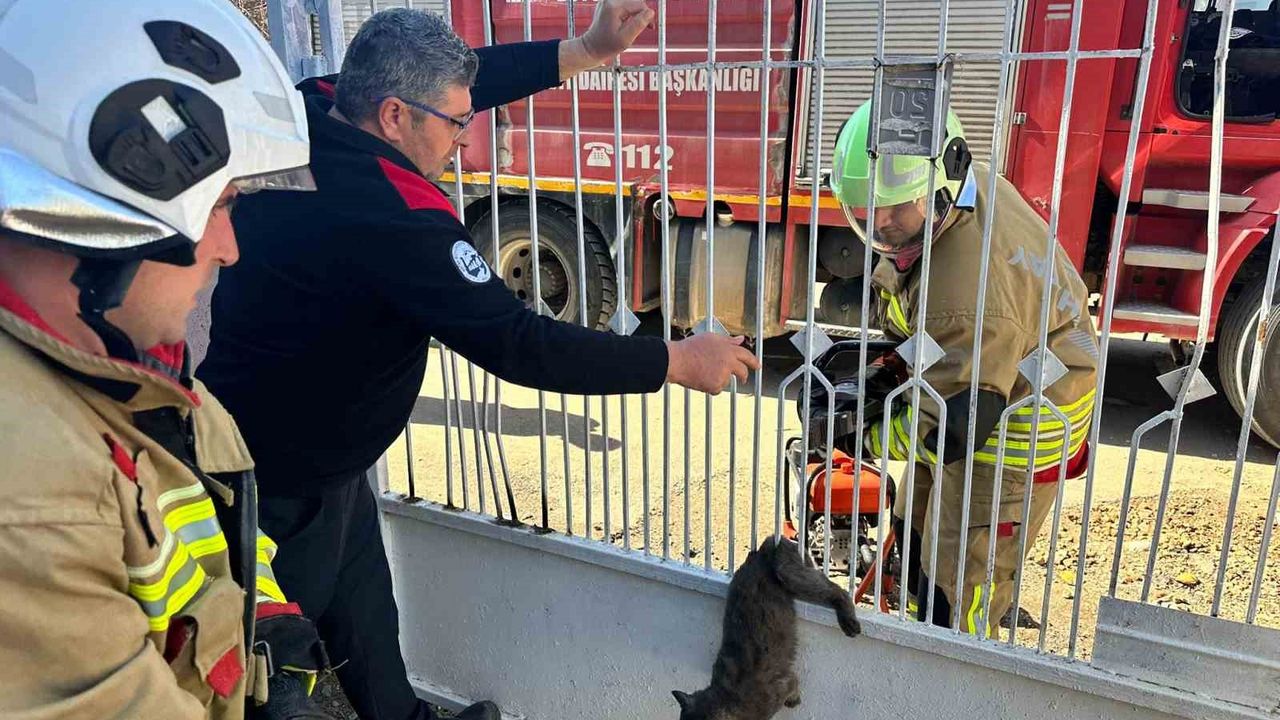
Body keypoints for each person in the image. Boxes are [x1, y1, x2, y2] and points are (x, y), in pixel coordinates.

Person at [197, 2, 758, 719]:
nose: (465, 143)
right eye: (457, 124)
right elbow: (521, 344)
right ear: (395, 117)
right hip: (280, 481)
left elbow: (466, 81)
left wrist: (585, 49)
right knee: (271, 669)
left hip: (309, 453)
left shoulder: (313, 110)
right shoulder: (398, 220)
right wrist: (673, 360)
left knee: (368, 625)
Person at [0, 0, 331, 718]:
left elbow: (213, 531)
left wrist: (267, 624)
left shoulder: (143, 377)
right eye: (221, 205)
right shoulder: (30, 497)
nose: (229, 250)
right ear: (108, 210)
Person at [827, 100, 1100, 636]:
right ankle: (918, 626)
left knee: (958, 588)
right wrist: (885, 370)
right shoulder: (959, 193)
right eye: (866, 209)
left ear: (939, 189)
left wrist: (856, 436)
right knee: (914, 532)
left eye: (894, 209)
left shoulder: (966, 295)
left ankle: (959, 661)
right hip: (978, 388)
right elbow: (926, 330)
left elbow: (948, 430)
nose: (880, 223)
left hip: (1008, 436)